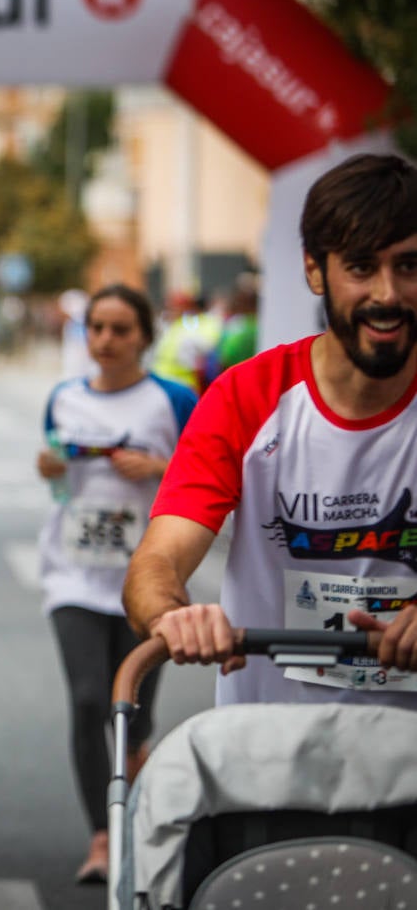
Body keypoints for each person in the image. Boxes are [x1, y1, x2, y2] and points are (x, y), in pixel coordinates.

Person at [124, 152, 417, 706]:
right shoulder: (245, 397)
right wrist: (172, 616)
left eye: (409, 265)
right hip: (269, 754)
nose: (388, 294)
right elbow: (158, 559)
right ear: (314, 270)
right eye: (360, 267)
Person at [34, 284, 197, 884]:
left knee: (131, 710)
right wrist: (50, 467)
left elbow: (203, 478)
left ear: (144, 338)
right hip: (73, 573)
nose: (105, 341)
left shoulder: (172, 400)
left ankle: (137, 758)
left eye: (120, 329)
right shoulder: (64, 397)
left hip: (144, 580)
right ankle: (102, 837)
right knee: (86, 702)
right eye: (96, 328)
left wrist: (157, 468)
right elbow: (56, 480)